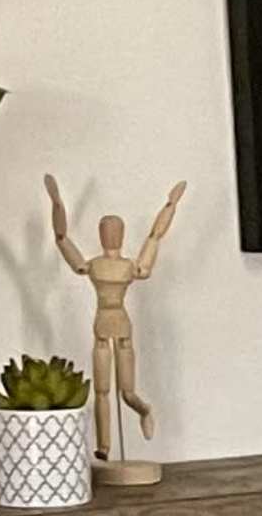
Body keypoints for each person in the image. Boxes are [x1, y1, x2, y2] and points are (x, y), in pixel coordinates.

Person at [45, 176, 189, 484]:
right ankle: (104, 446)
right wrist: (56, 202)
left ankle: (143, 410)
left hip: (122, 324)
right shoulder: (94, 265)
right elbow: (62, 240)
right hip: (101, 324)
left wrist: (171, 205)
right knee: (101, 391)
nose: (110, 235)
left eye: (114, 231)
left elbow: (154, 238)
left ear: (119, 235)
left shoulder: (127, 266)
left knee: (126, 390)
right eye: (107, 231)